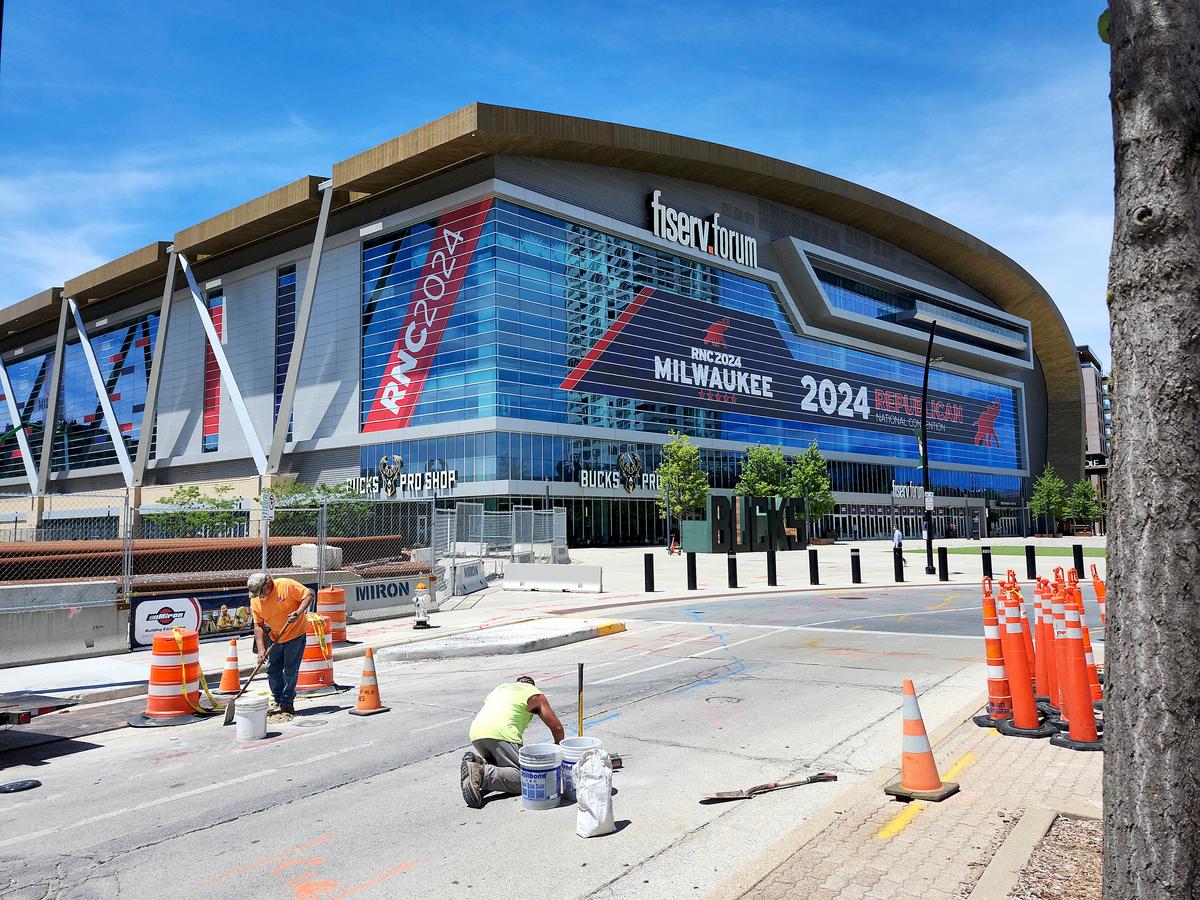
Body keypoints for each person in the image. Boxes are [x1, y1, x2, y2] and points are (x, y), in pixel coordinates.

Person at [460, 675, 564, 808]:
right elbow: (557, 728)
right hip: (502, 733)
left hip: (476, 732)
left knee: (504, 769)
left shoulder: (500, 688)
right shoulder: (534, 694)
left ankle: (479, 764)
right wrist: (559, 753)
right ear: (532, 686)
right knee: (526, 781)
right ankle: (482, 773)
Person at [247, 573, 314, 715]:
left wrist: (298, 612)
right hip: (275, 636)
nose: (259, 596)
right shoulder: (255, 600)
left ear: (268, 584)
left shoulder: (285, 585)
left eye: (261, 592)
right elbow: (258, 625)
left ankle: (287, 702)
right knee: (273, 670)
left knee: (290, 670)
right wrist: (261, 649)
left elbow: (308, 595)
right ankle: (277, 699)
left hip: (295, 634)